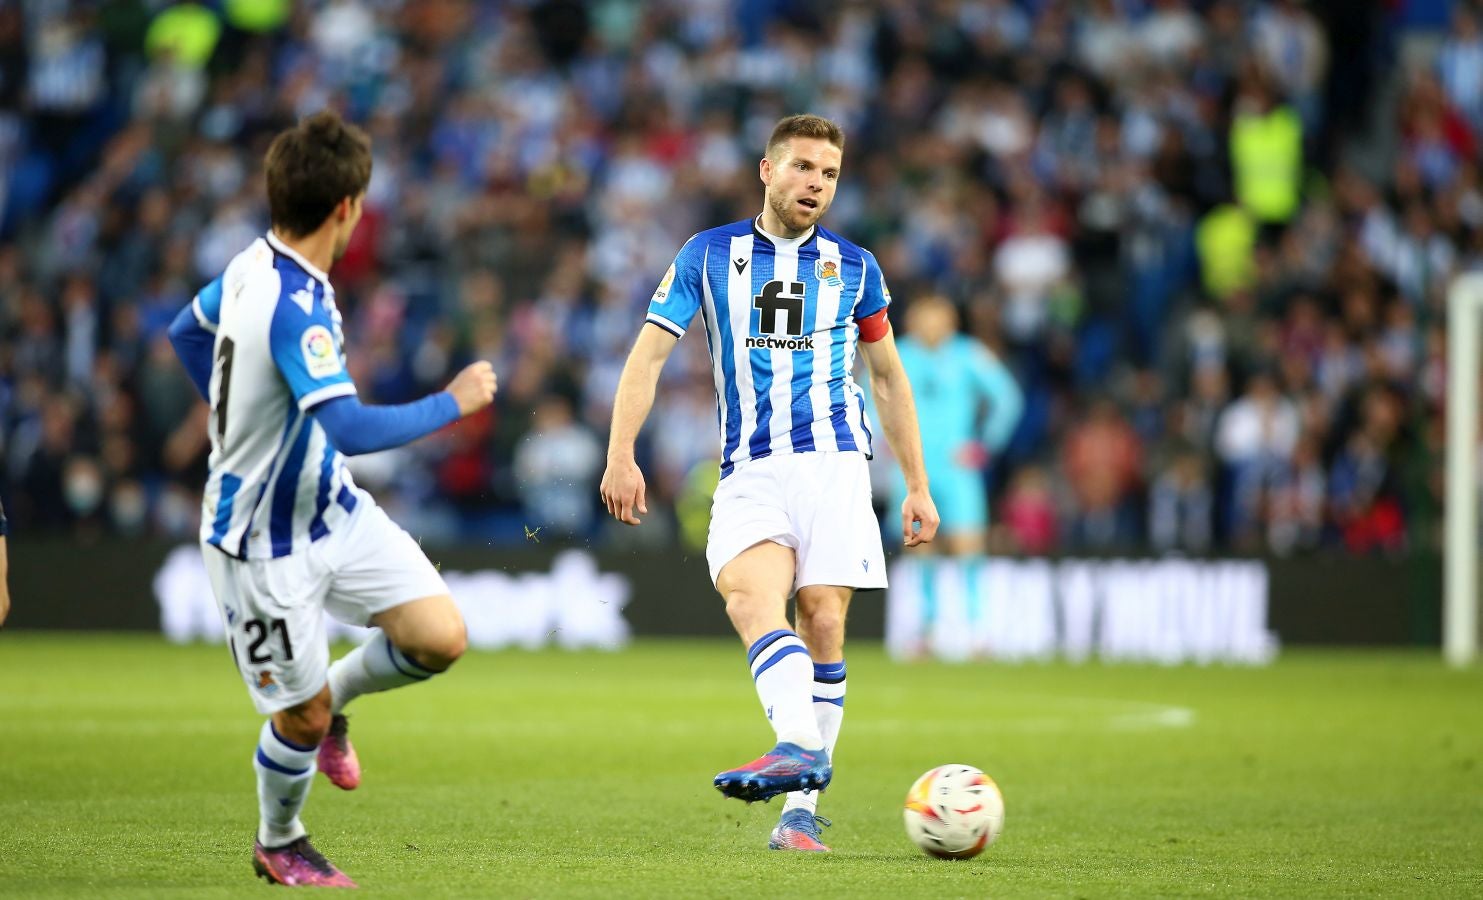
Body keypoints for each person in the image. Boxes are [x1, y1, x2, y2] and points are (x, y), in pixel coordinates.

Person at [167, 110, 496, 888]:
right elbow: (344, 426)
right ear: (347, 207)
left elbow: (187, 330)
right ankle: (279, 840)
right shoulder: (296, 305)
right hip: (260, 543)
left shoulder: (254, 264)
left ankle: (334, 704)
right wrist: (453, 401)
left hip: (331, 508)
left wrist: (232, 416)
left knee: (439, 637)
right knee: (297, 715)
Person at [599, 114, 939, 853]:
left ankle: (797, 815)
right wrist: (620, 451)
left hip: (836, 462)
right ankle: (798, 744)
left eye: (829, 174)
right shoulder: (707, 254)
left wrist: (916, 482)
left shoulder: (855, 267)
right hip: (749, 467)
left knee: (820, 618)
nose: (816, 183)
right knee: (751, 598)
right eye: (803, 168)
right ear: (766, 170)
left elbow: (887, 378)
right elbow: (650, 355)